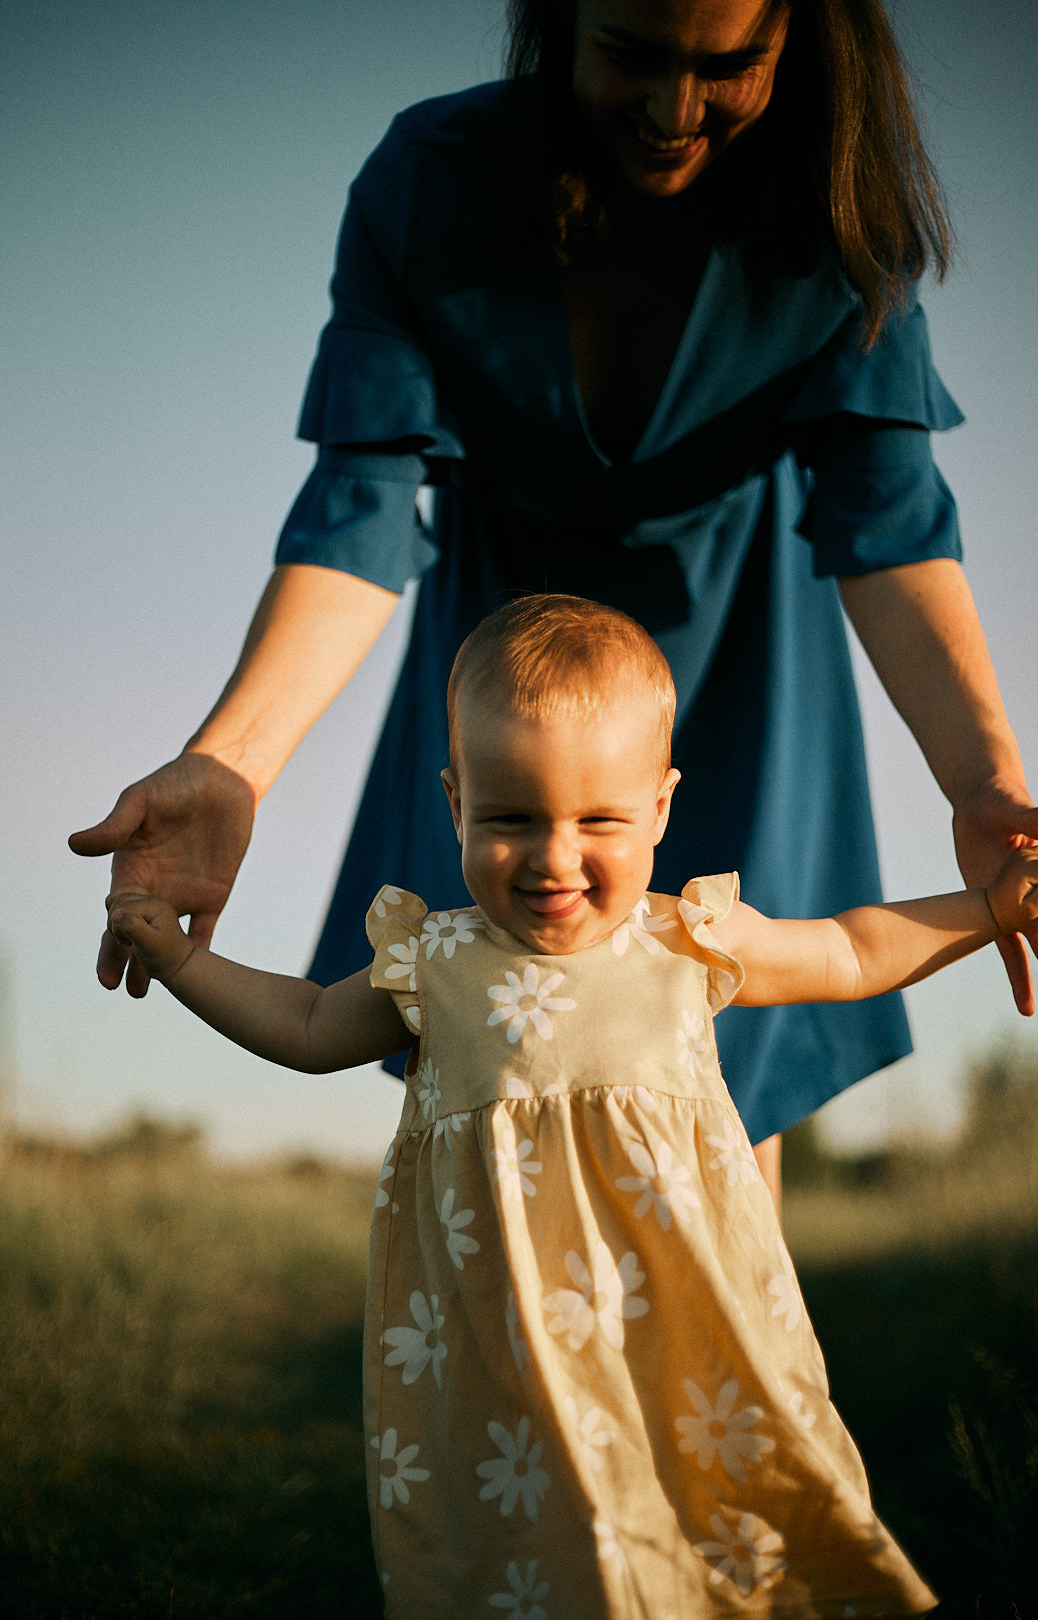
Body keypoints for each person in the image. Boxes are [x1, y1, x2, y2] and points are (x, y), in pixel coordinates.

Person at [70, 0, 1038, 1206]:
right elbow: (361, 513)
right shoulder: (434, 183)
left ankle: (713, 1374)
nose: (677, 111)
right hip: (501, 651)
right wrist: (228, 765)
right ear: (561, 19)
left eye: (731, 66)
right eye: (633, 53)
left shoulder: (839, 207)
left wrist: (984, 779)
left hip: (747, 652)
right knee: (493, 1040)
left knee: (726, 1084)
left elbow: (891, 525)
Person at [106, 596, 1038, 1617]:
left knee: (727, 1527)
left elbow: (851, 948)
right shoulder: (438, 961)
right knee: (537, 1547)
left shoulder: (688, 941)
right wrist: (185, 960)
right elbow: (306, 1025)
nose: (555, 857)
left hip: (689, 1331)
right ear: (457, 804)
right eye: (511, 820)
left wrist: (989, 912)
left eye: (598, 820)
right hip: (508, 1353)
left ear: (662, 809)